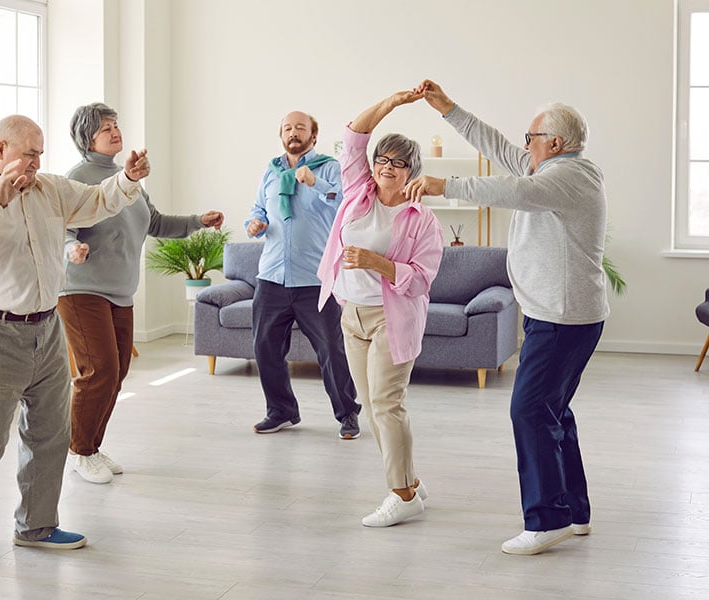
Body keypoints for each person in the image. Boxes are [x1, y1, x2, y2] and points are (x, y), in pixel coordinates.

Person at [0, 114, 150, 564]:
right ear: (0, 151)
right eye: (28, 154)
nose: (36, 161)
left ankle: (36, 524)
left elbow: (97, 200)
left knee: (50, 432)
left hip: (46, 328)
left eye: (40, 152)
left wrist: (126, 178)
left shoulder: (50, 188)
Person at [405, 79, 609, 554]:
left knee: (528, 409)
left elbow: (510, 188)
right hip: (560, 314)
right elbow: (497, 147)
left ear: (554, 143)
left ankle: (547, 520)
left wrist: (443, 184)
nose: (524, 145)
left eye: (531, 137)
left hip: (562, 318)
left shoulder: (567, 177)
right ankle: (574, 511)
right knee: (553, 410)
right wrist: (448, 108)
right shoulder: (552, 168)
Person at [60, 102, 224, 484]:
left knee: (116, 373)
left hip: (119, 291)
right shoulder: (77, 177)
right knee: (97, 371)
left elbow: (155, 222)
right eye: (106, 128)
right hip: (82, 289)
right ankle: (78, 450)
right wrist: (71, 247)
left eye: (116, 125)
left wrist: (199, 222)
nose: (116, 132)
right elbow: (62, 225)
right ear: (88, 137)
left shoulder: (126, 177)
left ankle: (91, 446)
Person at [317, 90, 443, 527]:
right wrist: (392, 102)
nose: (387, 168)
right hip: (350, 313)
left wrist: (378, 263)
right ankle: (409, 477)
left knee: (387, 405)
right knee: (371, 408)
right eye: (382, 160)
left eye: (398, 163)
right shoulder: (357, 192)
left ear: (413, 172)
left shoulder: (421, 220)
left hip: (393, 318)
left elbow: (423, 279)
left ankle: (402, 493)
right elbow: (354, 135)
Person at [246, 111, 360, 438]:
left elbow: (346, 204)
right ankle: (280, 411)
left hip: (314, 279)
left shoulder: (329, 168)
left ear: (313, 135)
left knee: (331, 349)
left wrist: (315, 182)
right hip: (271, 276)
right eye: (287, 128)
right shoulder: (271, 171)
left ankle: (347, 413)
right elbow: (258, 211)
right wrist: (254, 225)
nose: (293, 132)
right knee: (265, 348)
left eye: (300, 128)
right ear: (281, 135)